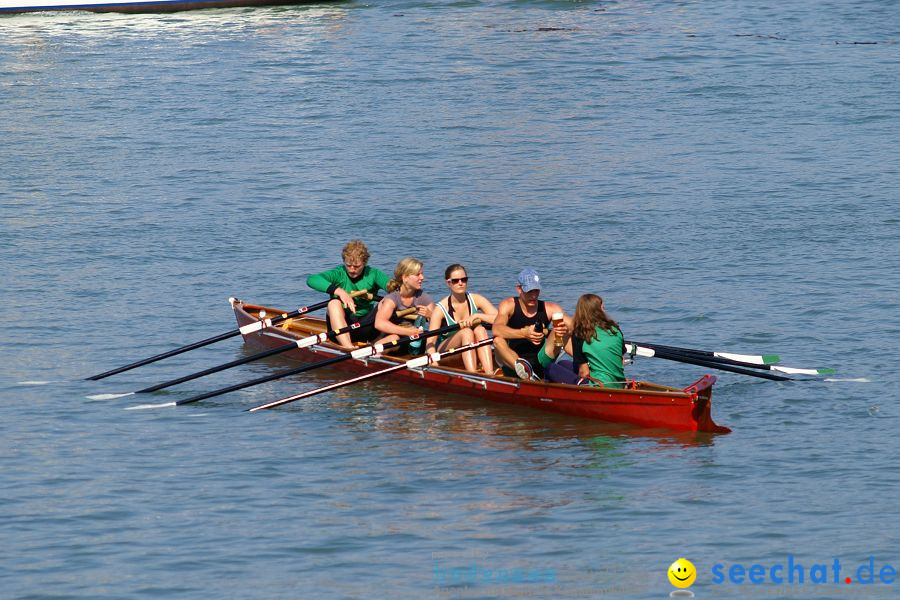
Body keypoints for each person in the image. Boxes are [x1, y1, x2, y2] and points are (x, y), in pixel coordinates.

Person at [306, 240, 389, 349]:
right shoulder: (339, 273)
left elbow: (393, 287)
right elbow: (312, 280)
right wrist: (340, 292)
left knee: (386, 302)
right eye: (348, 265)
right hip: (340, 330)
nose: (352, 270)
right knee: (334, 303)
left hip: (366, 326)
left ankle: (379, 342)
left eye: (356, 266)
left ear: (364, 263)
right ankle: (348, 347)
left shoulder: (374, 274)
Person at [491, 268, 570, 380]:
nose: (533, 296)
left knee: (562, 330)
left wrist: (561, 330)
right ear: (519, 289)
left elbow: (574, 326)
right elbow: (496, 329)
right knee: (497, 340)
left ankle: (586, 366)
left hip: (540, 360)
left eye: (536, 291)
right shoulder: (508, 305)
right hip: (512, 362)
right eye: (529, 291)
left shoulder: (551, 308)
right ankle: (525, 370)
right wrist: (524, 333)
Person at [424, 264, 498, 373]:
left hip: (469, 347)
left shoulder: (476, 299)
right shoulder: (440, 309)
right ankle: (472, 374)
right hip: (446, 353)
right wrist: (432, 359)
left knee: (480, 330)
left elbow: (500, 319)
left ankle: (489, 373)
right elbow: (430, 341)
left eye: (464, 279)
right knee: (466, 332)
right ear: (448, 283)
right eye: (455, 281)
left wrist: (478, 316)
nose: (460, 283)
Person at [374, 257, 435, 353]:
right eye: (417, 274)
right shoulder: (392, 299)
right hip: (395, 339)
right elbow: (379, 324)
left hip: (415, 341)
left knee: (431, 338)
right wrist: (408, 332)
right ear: (405, 277)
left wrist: (431, 316)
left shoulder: (423, 298)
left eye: (422, 274)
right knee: (392, 339)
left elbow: (437, 326)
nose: (422, 278)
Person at [570, 294, 626, 388]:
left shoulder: (579, 334)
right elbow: (621, 361)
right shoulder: (615, 329)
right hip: (619, 383)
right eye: (602, 307)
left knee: (551, 368)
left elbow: (584, 372)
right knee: (563, 364)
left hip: (599, 385)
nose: (604, 310)